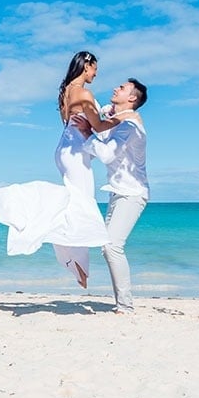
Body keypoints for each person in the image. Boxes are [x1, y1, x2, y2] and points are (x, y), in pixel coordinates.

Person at [0, 51, 119, 288]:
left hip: (65, 149)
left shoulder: (65, 92)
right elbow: (96, 125)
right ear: (87, 66)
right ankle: (75, 265)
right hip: (75, 152)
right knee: (82, 205)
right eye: (95, 68)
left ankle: (75, 265)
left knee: (73, 203)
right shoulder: (84, 93)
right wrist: (123, 117)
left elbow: (76, 124)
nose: (96, 73)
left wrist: (99, 120)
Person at [72, 77, 149, 313]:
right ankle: (123, 304)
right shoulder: (119, 121)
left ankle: (125, 306)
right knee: (108, 246)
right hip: (118, 193)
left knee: (112, 247)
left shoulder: (129, 127)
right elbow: (105, 115)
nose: (116, 88)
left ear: (132, 98)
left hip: (132, 194)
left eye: (122, 88)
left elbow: (106, 154)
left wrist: (89, 133)